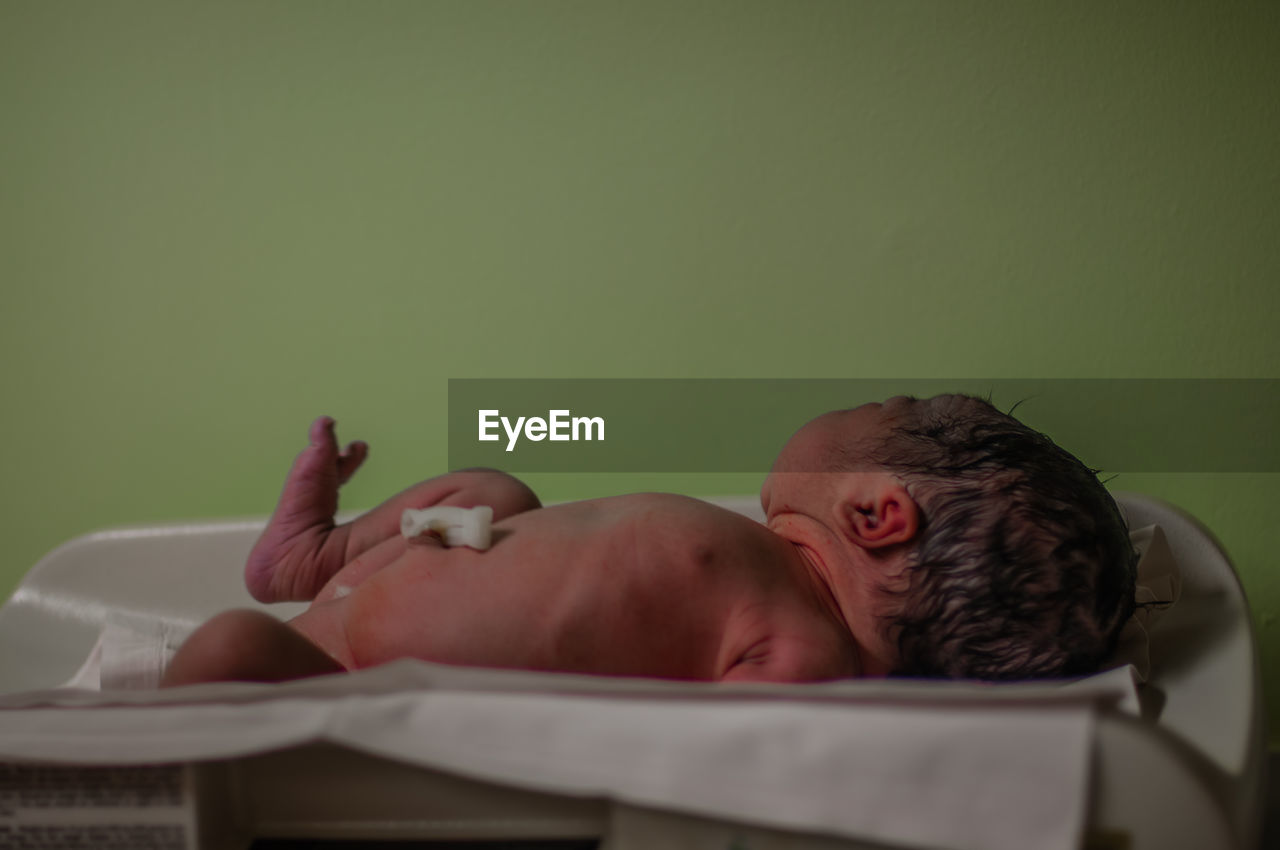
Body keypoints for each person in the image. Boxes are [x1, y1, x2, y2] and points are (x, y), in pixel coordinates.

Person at [160, 394, 1137, 687]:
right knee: (501, 482)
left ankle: (295, 612)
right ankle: (314, 561)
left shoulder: (803, 650)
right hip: (414, 561)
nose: (879, 395)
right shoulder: (772, 564)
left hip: (352, 663)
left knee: (224, 652)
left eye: (893, 408)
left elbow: (732, 747)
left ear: (876, 513)